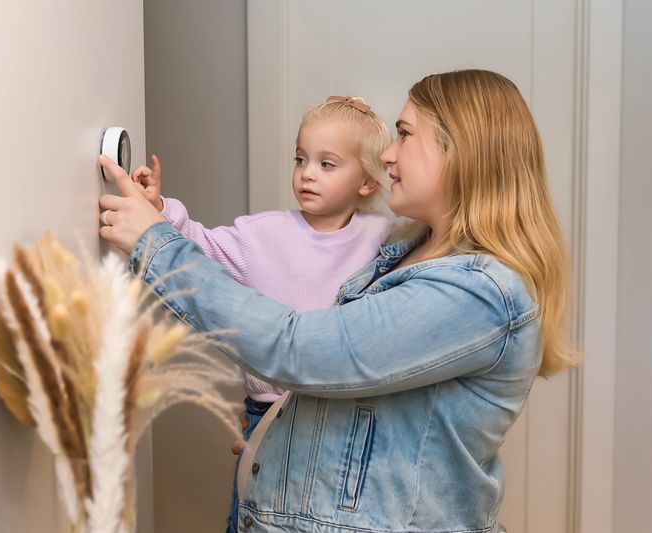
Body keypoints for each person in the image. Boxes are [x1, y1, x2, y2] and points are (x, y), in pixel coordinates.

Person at [98, 69, 578, 533]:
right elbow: (360, 399)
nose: (388, 156)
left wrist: (157, 244)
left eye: (405, 135)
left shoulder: (477, 291)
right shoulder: (405, 252)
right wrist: (279, 439)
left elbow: (304, 351)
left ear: (461, 152)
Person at [127, 96, 394, 532]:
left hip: (346, 421)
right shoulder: (261, 234)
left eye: (328, 164)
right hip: (267, 418)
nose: (307, 173)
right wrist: (158, 211)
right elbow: (198, 250)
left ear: (366, 182)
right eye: (301, 158)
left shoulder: (384, 239)